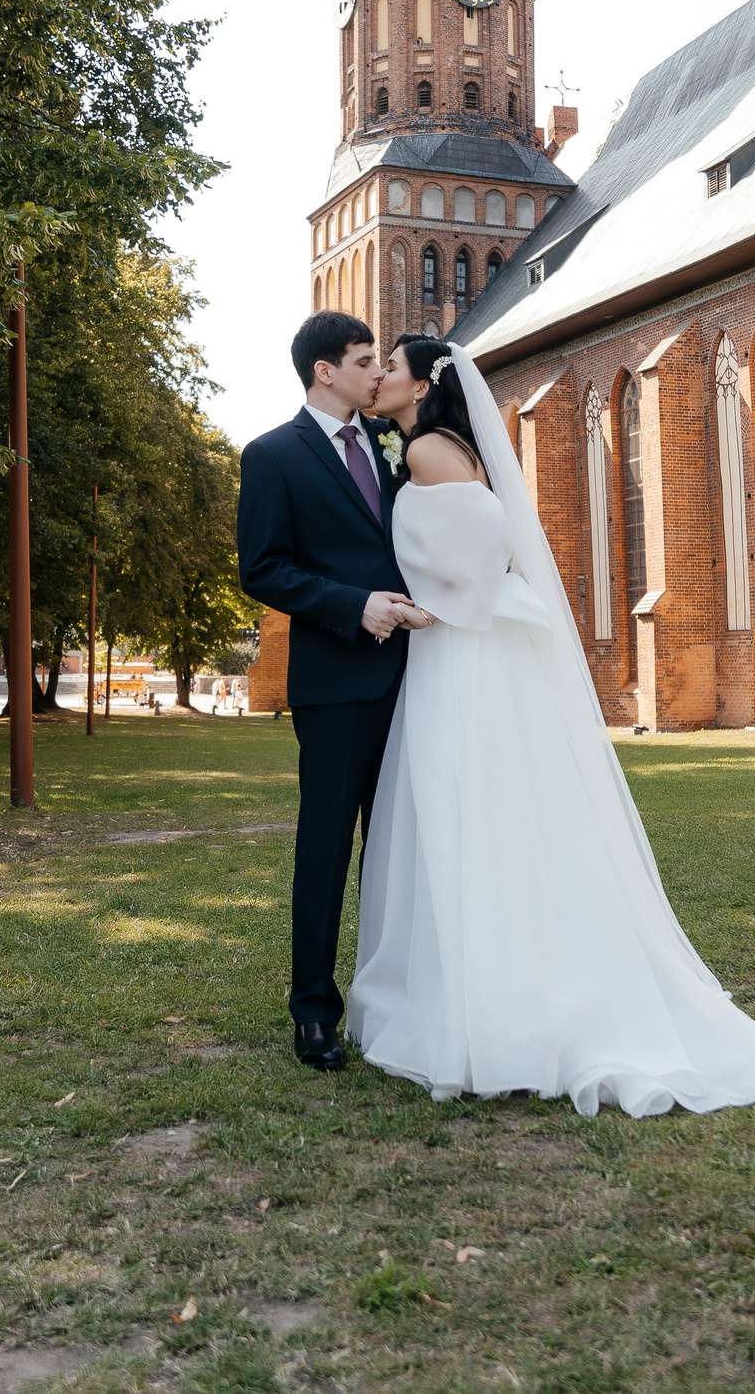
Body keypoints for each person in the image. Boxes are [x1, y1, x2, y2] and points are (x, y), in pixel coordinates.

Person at [339, 334, 755, 1118]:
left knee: (463, 808)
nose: (379, 376)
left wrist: (430, 607)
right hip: (479, 648)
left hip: (459, 654)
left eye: (391, 366)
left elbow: (481, 551)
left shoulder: (428, 448)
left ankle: (480, 1006)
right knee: (507, 810)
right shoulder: (455, 444)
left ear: (425, 383)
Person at [236, 311, 435, 1073]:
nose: (376, 371)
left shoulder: (394, 448)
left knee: (398, 851)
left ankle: (397, 1000)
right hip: (334, 684)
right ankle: (314, 1011)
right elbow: (263, 568)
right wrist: (354, 605)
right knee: (325, 849)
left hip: (413, 679)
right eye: (363, 360)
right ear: (325, 371)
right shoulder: (271, 456)